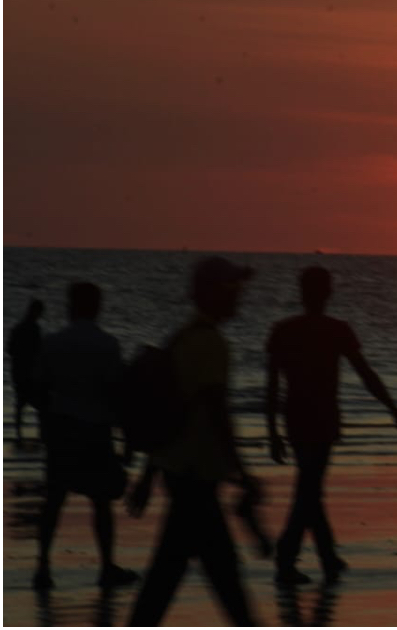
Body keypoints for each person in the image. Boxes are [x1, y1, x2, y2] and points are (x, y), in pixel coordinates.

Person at [128, 256, 259, 626]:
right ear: (214, 293)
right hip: (195, 479)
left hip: (180, 475)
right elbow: (217, 414)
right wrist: (242, 472)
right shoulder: (210, 344)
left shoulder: (181, 338)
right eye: (233, 288)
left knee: (171, 579)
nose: (239, 295)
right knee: (221, 583)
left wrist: (148, 476)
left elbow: (167, 412)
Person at [266, 265, 397, 585]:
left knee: (310, 487)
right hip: (321, 420)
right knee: (308, 490)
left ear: (302, 293)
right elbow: (365, 374)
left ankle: (327, 557)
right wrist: (393, 409)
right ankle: (287, 557)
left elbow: (272, 387)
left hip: (297, 420)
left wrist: (273, 432)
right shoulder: (336, 330)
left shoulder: (284, 330)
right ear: (327, 293)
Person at [32, 283, 138, 590]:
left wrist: (46, 423)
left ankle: (43, 567)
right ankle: (106, 567)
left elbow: (38, 388)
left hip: (61, 429)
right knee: (101, 502)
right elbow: (117, 394)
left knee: (53, 501)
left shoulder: (53, 343)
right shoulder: (107, 345)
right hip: (95, 431)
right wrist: (128, 439)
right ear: (97, 307)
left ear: (71, 306)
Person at [8, 298, 45, 445]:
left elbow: (10, 349)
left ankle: (19, 435)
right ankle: (39, 434)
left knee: (21, 404)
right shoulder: (34, 329)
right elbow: (39, 352)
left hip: (19, 372)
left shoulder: (18, 328)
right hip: (29, 373)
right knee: (39, 404)